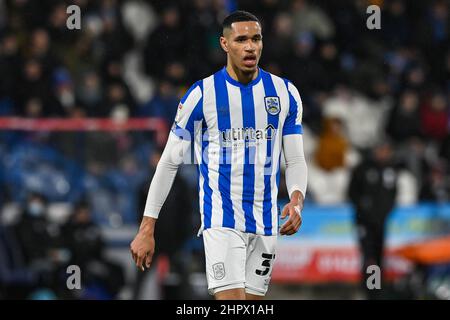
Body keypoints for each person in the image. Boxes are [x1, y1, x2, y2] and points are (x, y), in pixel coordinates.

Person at [130, 10, 308, 300]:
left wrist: (297, 198)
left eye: (256, 38)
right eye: (241, 39)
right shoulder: (202, 95)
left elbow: (296, 159)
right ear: (225, 44)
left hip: (266, 222)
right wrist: (147, 227)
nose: (250, 46)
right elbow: (169, 162)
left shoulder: (285, 93)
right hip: (222, 221)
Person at [348, 141, 398, 300]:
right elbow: (352, 193)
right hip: (364, 222)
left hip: (381, 222)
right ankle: (370, 290)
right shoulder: (363, 169)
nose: (384, 154)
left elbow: (393, 195)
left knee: (378, 255)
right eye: (381, 150)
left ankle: (377, 290)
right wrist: (364, 210)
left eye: (387, 151)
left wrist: (384, 213)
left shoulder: (390, 170)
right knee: (369, 256)